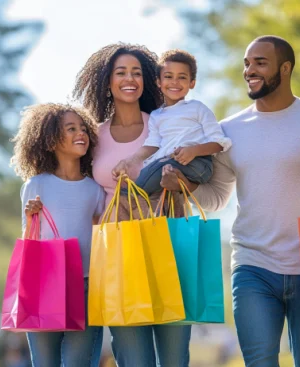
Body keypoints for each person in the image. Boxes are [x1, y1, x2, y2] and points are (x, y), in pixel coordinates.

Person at [161, 35, 300, 367]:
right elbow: (218, 197)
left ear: (286, 68)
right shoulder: (228, 131)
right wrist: (185, 188)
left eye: (260, 63)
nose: (250, 70)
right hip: (253, 265)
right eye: (246, 63)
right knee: (259, 362)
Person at [72, 42, 191, 367]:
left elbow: (196, 173)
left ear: (149, 80)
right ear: (107, 81)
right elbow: (81, 189)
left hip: (169, 243)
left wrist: (179, 184)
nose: (130, 79)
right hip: (118, 253)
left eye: (137, 73)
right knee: (132, 358)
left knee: (174, 358)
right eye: (121, 72)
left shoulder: (165, 124)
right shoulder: (94, 137)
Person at [10, 103, 105, 367]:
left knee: (78, 363)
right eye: (71, 128)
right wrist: (31, 217)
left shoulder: (95, 189)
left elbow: (100, 235)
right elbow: (30, 240)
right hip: (44, 283)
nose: (81, 133)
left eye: (83, 128)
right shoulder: (37, 184)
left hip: (86, 286)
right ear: (51, 140)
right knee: (45, 363)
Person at [112, 49, 231, 196]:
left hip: (198, 165)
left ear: (192, 83)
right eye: (168, 76)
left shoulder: (198, 108)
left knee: (154, 172)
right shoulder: (156, 116)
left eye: (182, 77)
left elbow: (219, 143)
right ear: (159, 82)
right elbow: (152, 144)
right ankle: (136, 196)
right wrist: (129, 161)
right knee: (153, 169)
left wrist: (193, 151)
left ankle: (131, 196)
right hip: (169, 165)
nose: (175, 82)